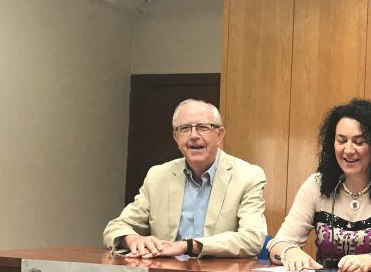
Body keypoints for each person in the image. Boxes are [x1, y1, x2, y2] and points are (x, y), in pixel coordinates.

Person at [268, 99, 371, 272]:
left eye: (359, 142)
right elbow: (277, 244)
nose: (348, 150)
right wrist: (290, 252)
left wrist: (370, 261)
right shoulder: (317, 185)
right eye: (341, 141)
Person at [103, 99, 267, 258]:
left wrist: (187, 246)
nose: (194, 135)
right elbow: (116, 226)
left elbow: (252, 239)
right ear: (176, 137)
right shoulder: (158, 176)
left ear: (219, 135)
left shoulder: (248, 176)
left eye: (203, 127)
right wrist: (134, 239)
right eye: (185, 128)